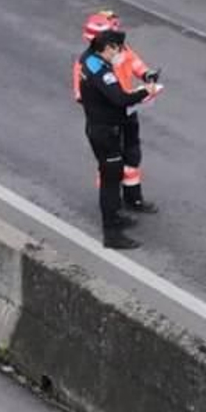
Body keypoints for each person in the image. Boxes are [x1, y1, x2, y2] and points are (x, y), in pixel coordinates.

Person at [77, 29, 159, 249]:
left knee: (113, 175)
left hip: (102, 127)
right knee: (111, 182)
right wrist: (145, 91)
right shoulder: (101, 71)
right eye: (117, 48)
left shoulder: (89, 59)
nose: (119, 53)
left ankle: (115, 218)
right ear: (107, 48)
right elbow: (120, 98)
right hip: (105, 132)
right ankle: (112, 234)